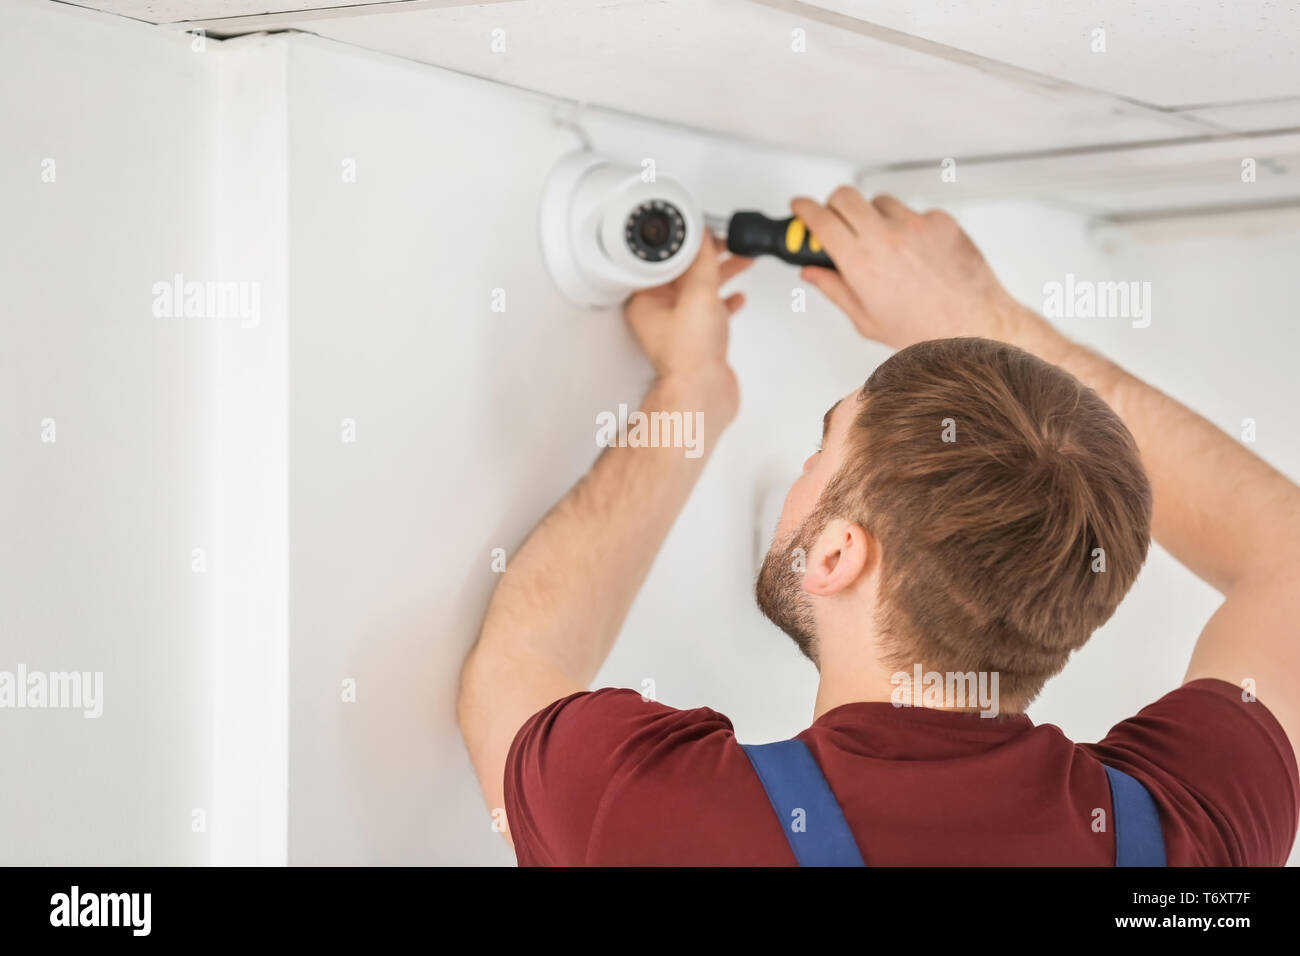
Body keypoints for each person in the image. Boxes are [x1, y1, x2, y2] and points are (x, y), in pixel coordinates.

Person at [456, 188, 1299, 865]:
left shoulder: (654, 809)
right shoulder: (1192, 833)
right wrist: (988, 320)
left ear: (836, 552)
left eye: (819, 455)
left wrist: (693, 392)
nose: (800, 476)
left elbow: (517, 667)